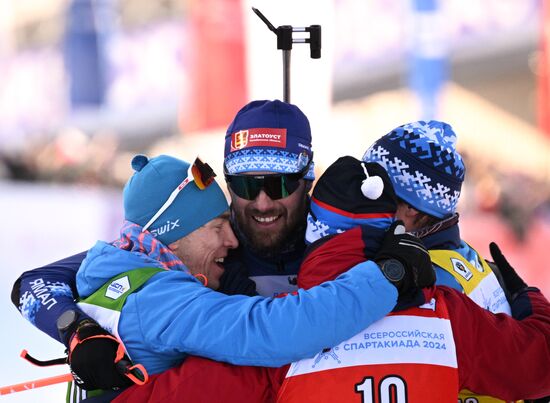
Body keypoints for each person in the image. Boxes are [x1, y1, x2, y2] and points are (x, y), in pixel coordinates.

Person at [112, 157, 550, 402]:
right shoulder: (449, 316)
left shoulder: (279, 341)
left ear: (316, 233)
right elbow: (538, 366)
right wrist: (529, 301)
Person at [10, 100, 320, 388]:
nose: (262, 203)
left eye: (280, 184)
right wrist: (79, 332)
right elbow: (33, 284)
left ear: (306, 179)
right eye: (246, 184)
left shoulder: (336, 239)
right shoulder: (203, 242)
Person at [362, 121, 521, 403]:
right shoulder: (460, 253)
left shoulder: (425, 279)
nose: (363, 200)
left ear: (412, 207)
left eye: (376, 191)